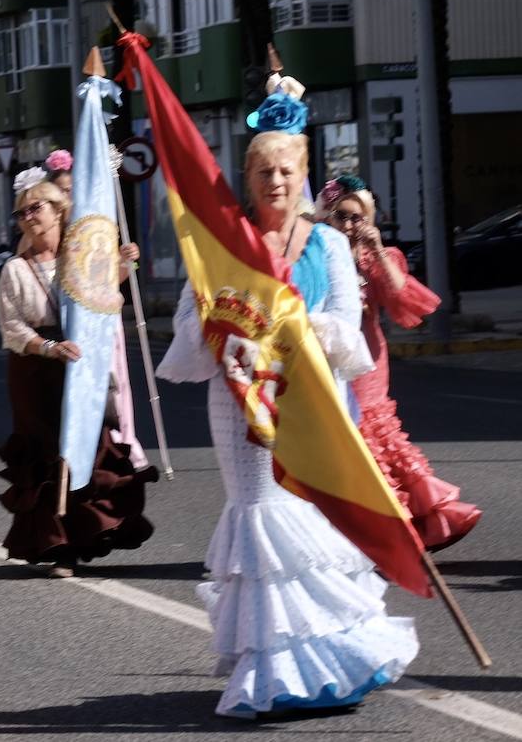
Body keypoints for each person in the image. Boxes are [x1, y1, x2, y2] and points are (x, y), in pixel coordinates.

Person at [157, 130, 417, 718]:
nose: (275, 181)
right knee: (261, 518)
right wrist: (225, 331)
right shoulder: (221, 241)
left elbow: (348, 329)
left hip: (311, 399)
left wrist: (287, 326)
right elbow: (188, 322)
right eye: (263, 172)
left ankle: (331, 655)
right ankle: (274, 667)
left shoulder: (325, 242)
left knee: (313, 520)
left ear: (303, 176)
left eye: (285, 171)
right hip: (238, 399)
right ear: (246, 178)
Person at [0, 179, 155, 578]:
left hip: (80, 366)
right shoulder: (14, 269)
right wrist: (48, 348)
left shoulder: (79, 257)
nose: (28, 218)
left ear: (58, 211)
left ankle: (88, 533)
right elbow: (11, 327)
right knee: (48, 452)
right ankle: (58, 547)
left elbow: (105, 297)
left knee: (88, 446)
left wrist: (126, 264)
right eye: (22, 213)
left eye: (36, 209)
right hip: (36, 371)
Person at [318, 176, 480, 551]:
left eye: (357, 218)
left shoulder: (379, 257)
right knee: (342, 445)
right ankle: (364, 528)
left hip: (367, 360)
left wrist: (374, 250)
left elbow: (401, 298)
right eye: (340, 216)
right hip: (325, 358)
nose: (348, 225)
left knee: (374, 437)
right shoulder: (318, 254)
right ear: (326, 218)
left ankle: (417, 521)